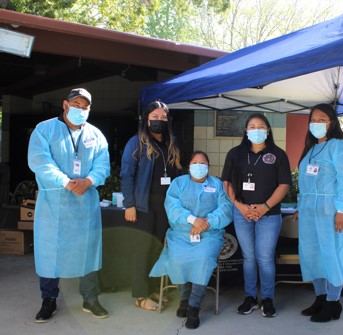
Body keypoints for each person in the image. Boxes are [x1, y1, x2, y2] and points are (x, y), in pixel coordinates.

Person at [28, 88, 111, 322]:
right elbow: (40, 162)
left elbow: (103, 165)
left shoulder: (96, 135)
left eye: (85, 106)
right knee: (49, 251)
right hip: (54, 205)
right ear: (65, 104)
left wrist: (89, 180)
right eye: (76, 104)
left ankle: (90, 298)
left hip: (85, 205)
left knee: (88, 250)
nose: (81, 109)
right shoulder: (44, 130)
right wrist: (65, 182)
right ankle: (49, 300)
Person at [294, 103, 343, 323]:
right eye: (313, 120)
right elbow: (307, 183)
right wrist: (302, 207)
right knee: (311, 254)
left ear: (332, 123)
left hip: (330, 211)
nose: (316, 124)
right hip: (310, 212)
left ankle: (333, 302)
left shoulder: (339, 146)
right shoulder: (311, 149)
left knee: (331, 255)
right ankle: (320, 297)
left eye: (321, 119)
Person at [149, 151, 233, 329]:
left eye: (203, 163)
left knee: (202, 258)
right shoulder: (178, 184)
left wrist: (206, 223)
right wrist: (193, 220)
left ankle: (194, 306)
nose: (199, 166)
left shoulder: (217, 185)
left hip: (209, 234)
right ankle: (183, 300)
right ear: (189, 166)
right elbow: (172, 207)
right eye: (195, 162)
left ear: (208, 167)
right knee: (178, 259)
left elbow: (225, 209)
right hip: (181, 232)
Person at [221, 113, 291, 318]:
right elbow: (227, 183)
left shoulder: (278, 155)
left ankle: (267, 299)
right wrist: (239, 206)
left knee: (265, 257)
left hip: (269, 215)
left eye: (261, 126)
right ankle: (250, 297)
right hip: (242, 213)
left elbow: (284, 184)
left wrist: (265, 207)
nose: (256, 130)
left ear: (268, 130)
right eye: (252, 126)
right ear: (246, 131)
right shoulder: (235, 153)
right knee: (249, 257)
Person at [120, 100, 181, 311]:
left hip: (166, 207)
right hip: (144, 206)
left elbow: (177, 175)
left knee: (157, 249)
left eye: (163, 118)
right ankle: (139, 294)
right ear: (146, 119)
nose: (159, 121)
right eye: (155, 117)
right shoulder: (136, 143)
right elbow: (126, 175)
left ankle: (153, 287)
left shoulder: (171, 143)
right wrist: (129, 205)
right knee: (142, 250)